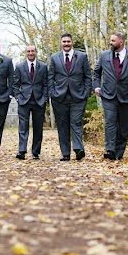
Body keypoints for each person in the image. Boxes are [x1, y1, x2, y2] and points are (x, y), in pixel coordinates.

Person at [93, 32, 128, 160]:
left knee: (123, 127)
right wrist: (96, 87)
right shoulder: (104, 55)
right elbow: (96, 73)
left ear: (121, 42)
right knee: (110, 122)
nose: (110, 43)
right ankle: (109, 150)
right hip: (108, 95)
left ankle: (119, 153)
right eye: (110, 40)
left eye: (113, 41)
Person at [46, 33, 92, 161]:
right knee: (62, 125)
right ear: (61, 43)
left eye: (68, 41)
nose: (66, 44)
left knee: (76, 122)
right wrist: (53, 93)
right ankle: (65, 153)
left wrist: (85, 93)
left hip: (78, 97)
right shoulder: (55, 58)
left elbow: (88, 76)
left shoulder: (82, 57)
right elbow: (50, 77)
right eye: (64, 42)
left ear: (72, 42)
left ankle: (78, 149)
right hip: (59, 97)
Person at [12, 45, 48, 160]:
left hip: (39, 101)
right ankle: (22, 151)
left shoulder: (43, 66)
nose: (31, 53)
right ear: (25, 53)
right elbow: (15, 84)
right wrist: (18, 97)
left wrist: (45, 98)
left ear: (36, 52)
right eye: (28, 51)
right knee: (23, 126)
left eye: (33, 51)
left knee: (38, 128)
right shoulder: (19, 66)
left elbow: (46, 84)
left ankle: (36, 152)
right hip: (24, 100)